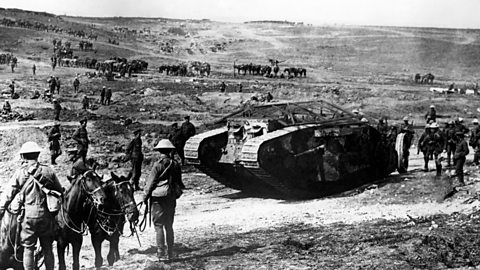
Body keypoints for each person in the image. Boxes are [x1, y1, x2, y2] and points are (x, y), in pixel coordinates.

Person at [0, 141, 63, 270]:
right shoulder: (48, 171)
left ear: (23, 157)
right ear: (38, 155)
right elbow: (60, 191)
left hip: (28, 218)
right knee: (47, 248)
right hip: (46, 217)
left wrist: (1, 210)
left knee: (28, 248)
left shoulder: (21, 173)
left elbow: (8, 194)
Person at [144, 139, 184, 261]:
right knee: (169, 225)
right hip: (171, 196)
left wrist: (145, 196)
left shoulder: (158, 165)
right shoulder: (175, 164)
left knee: (159, 225)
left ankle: (161, 252)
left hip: (158, 197)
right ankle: (171, 251)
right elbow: (179, 182)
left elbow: (151, 183)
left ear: (160, 151)